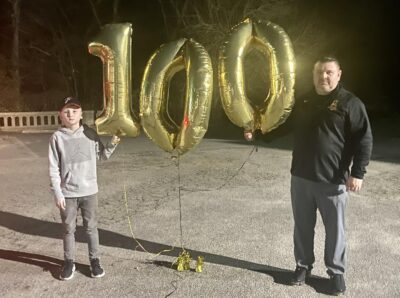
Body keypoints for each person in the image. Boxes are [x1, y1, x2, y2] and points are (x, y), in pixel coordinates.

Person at [244, 56, 373, 295]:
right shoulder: (303, 99)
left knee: (335, 230)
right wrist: (259, 134)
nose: (323, 77)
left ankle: (336, 273)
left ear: (339, 74)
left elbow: (364, 139)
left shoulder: (350, 103)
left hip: (333, 181)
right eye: (319, 73)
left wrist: (358, 173)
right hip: (301, 177)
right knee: (302, 227)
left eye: (329, 72)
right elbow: (285, 126)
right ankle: (303, 267)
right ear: (313, 75)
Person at [48, 96, 121, 281]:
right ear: (60, 115)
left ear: (81, 114)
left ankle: (95, 261)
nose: (70, 114)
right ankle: (69, 262)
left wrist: (113, 142)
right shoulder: (57, 137)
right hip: (68, 194)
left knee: (91, 228)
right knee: (68, 230)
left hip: (89, 192)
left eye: (74, 110)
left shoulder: (90, 134)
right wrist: (57, 192)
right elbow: (53, 167)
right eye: (66, 111)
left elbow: (102, 156)